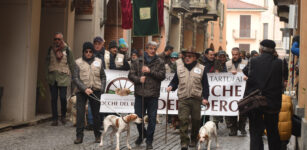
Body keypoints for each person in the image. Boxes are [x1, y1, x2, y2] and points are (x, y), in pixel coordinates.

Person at [243, 39, 283, 150]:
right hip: (273, 103)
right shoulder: (280, 63)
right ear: (273, 50)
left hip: (256, 101)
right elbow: (283, 80)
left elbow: (246, 72)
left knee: (256, 132)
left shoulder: (253, 61)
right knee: (273, 131)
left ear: (261, 49)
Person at [167, 49, 209, 150]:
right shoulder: (179, 68)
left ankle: (193, 139)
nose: (187, 58)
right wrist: (171, 86)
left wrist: (206, 98)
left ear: (195, 58)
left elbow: (205, 85)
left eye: (190, 56)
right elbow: (174, 82)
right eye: (185, 56)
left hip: (196, 99)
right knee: (183, 120)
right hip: (183, 99)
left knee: (196, 121)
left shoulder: (202, 68)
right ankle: (184, 142)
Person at [128, 41, 166, 150]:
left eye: (154, 48)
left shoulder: (160, 62)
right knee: (138, 117)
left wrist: (150, 71)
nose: (152, 50)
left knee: (152, 119)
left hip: (153, 95)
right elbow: (131, 75)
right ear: (146, 49)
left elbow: (162, 76)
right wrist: (138, 79)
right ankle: (142, 134)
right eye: (150, 48)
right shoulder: (137, 61)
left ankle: (149, 140)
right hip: (140, 94)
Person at [73, 42, 106, 144]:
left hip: (95, 90)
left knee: (96, 114)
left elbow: (103, 76)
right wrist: (84, 88)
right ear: (83, 52)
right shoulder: (77, 62)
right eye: (86, 51)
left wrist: (102, 88)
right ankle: (79, 136)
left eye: (90, 51)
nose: (88, 53)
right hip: (81, 91)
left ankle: (97, 135)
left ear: (93, 52)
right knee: (80, 114)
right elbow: (75, 78)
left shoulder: (99, 61)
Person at [46, 32, 75, 126]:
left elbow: (71, 63)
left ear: (62, 40)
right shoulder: (50, 49)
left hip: (63, 77)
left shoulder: (67, 50)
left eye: (59, 39)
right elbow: (47, 61)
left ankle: (63, 116)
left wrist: (74, 76)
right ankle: (54, 118)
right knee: (53, 99)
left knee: (63, 97)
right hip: (53, 77)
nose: (57, 41)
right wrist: (47, 74)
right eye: (55, 39)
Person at [225, 47, 248, 136]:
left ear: (239, 54)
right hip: (231, 91)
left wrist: (246, 77)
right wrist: (229, 74)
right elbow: (223, 76)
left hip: (243, 90)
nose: (234, 56)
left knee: (243, 110)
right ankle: (233, 129)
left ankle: (242, 128)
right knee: (232, 110)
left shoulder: (246, 63)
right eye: (233, 54)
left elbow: (250, 74)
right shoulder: (227, 64)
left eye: (236, 54)